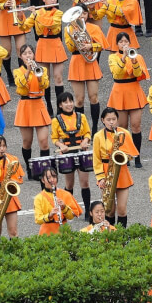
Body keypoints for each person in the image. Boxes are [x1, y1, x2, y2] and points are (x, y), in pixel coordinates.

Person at [20, 0, 66, 115]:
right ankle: (49, 107)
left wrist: (36, 15)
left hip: (55, 44)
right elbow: (24, 26)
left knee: (58, 78)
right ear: (44, 0)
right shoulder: (37, 12)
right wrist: (19, 15)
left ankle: (60, 107)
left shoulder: (58, 13)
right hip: (42, 44)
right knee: (44, 78)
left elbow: (50, 24)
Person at [64, 4, 109, 132]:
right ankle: (82, 129)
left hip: (90, 62)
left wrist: (91, 46)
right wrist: (75, 35)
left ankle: (94, 128)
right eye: (78, 14)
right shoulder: (69, 29)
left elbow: (102, 45)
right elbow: (70, 48)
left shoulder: (94, 27)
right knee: (79, 100)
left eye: (84, 13)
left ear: (88, 15)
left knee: (93, 97)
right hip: (77, 61)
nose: (81, 16)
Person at [93, 107, 140, 227]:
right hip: (106, 172)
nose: (111, 122)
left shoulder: (124, 133)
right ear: (103, 120)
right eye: (108, 119)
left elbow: (132, 154)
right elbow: (96, 159)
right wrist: (100, 177)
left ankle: (122, 235)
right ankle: (110, 234)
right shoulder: (98, 136)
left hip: (121, 172)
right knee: (109, 209)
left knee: (122, 209)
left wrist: (122, 154)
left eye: (114, 119)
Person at [107, 32, 149, 163]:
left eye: (126, 42)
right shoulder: (113, 57)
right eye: (121, 42)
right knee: (122, 127)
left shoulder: (137, 56)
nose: (124, 44)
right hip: (119, 92)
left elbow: (138, 74)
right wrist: (124, 57)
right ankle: (124, 155)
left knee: (136, 126)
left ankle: (137, 156)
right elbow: (117, 73)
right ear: (117, 44)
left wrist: (134, 61)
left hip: (134, 90)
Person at [52, 91, 93, 219]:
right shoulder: (56, 120)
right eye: (66, 102)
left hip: (81, 152)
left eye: (71, 101)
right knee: (69, 184)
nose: (69, 104)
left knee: (85, 183)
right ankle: (69, 209)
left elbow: (87, 133)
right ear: (60, 105)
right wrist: (61, 145)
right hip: (67, 153)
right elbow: (55, 138)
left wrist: (85, 141)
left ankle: (87, 211)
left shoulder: (81, 117)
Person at [13, 44, 51, 176]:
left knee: (44, 141)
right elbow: (20, 85)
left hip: (38, 104)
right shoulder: (17, 71)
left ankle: (44, 170)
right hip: (25, 106)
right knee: (27, 142)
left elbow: (45, 85)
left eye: (30, 53)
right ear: (21, 57)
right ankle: (30, 170)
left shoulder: (42, 70)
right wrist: (28, 71)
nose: (28, 55)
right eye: (25, 53)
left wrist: (38, 76)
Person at [34, 166, 83, 235]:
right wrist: (49, 215)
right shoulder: (39, 198)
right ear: (42, 180)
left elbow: (71, 217)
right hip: (46, 234)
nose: (52, 180)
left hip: (64, 232)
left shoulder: (65, 194)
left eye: (54, 176)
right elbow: (38, 220)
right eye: (48, 178)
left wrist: (64, 208)